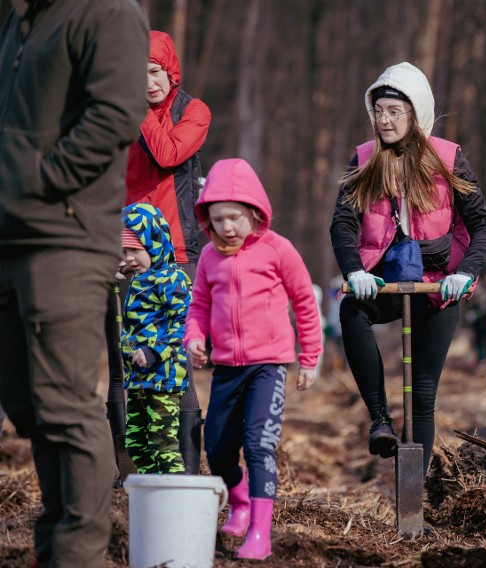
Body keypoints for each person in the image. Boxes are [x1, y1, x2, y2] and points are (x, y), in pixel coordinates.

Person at [0, 1, 149, 566]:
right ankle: (55, 547)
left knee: (65, 407)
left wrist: (41, 182)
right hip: (8, 240)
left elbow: (114, 115)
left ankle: (79, 554)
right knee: (27, 405)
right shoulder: (18, 19)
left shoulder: (107, 10)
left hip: (66, 235)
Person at [329, 62, 486, 476]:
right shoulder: (364, 159)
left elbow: (483, 226)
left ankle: (415, 493)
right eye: (379, 111)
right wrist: (354, 273)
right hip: (383, 282)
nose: (384, 120)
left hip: (440, 288)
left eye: (394, 112)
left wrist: (466, 273)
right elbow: (343, 223)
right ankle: (380, 418)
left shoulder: (449, 158)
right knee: (351, 312)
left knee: (422, 396)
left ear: (415, 113)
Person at [184, 158, 323, 561]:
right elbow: (199, 306)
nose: (227, 227)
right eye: (218, 218)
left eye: (234, 217)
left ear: (254, 212)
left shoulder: (279, 250)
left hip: (269, 366)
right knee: (219, 448)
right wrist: (194, 337)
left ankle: (260, 532)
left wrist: (309, 357)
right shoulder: (210, 257)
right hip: (226, 368)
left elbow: (304, 303)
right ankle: (240, 502)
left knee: (258, 444)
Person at [116, 28, 212, 474]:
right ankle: (130, 475)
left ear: (170, 70)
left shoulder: (194, 111)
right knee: (125, 357)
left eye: (153, 73)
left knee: (172, 361)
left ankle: (186, 473)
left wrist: (138, 110)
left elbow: (168, 152)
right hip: (123, 251)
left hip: (175, 251)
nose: (148, 83)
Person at [120, 203, 192, 475]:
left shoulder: (171, 279)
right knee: (136, 444)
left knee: (163, 444)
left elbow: (185, 322)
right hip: (139, 378)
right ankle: (153, 492)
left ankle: (175, 497)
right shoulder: (140, 278)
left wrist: (154, 351)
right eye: (124, 251)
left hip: (164, 377)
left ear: (154, 244)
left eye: (135, 250)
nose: (129, 258)